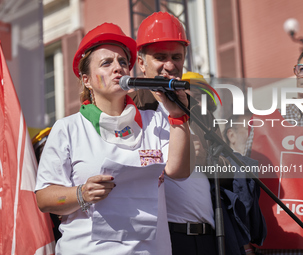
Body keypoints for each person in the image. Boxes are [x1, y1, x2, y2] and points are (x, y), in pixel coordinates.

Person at [35, 22, 192, 255]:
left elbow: (179, 171)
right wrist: (81, 193)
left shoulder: (154, 121)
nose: (118, 68)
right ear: (86, 79)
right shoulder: (68, 128)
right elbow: (44, 198)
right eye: (106, 63)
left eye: (122, 62)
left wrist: (179, 116)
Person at [133, 12, 217, 255]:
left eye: (176, 57)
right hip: (163, 238)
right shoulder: (130, 107)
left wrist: (207, 160)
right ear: (141, 63)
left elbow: (225, 170)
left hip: (207, 237)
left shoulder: (196, 107)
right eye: (160, 57)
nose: (170, 65)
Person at [245, 43, 303, 254]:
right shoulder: (264, 125)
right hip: (271, 249)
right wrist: (245, 244)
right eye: (302, 68)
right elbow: (245, 187)